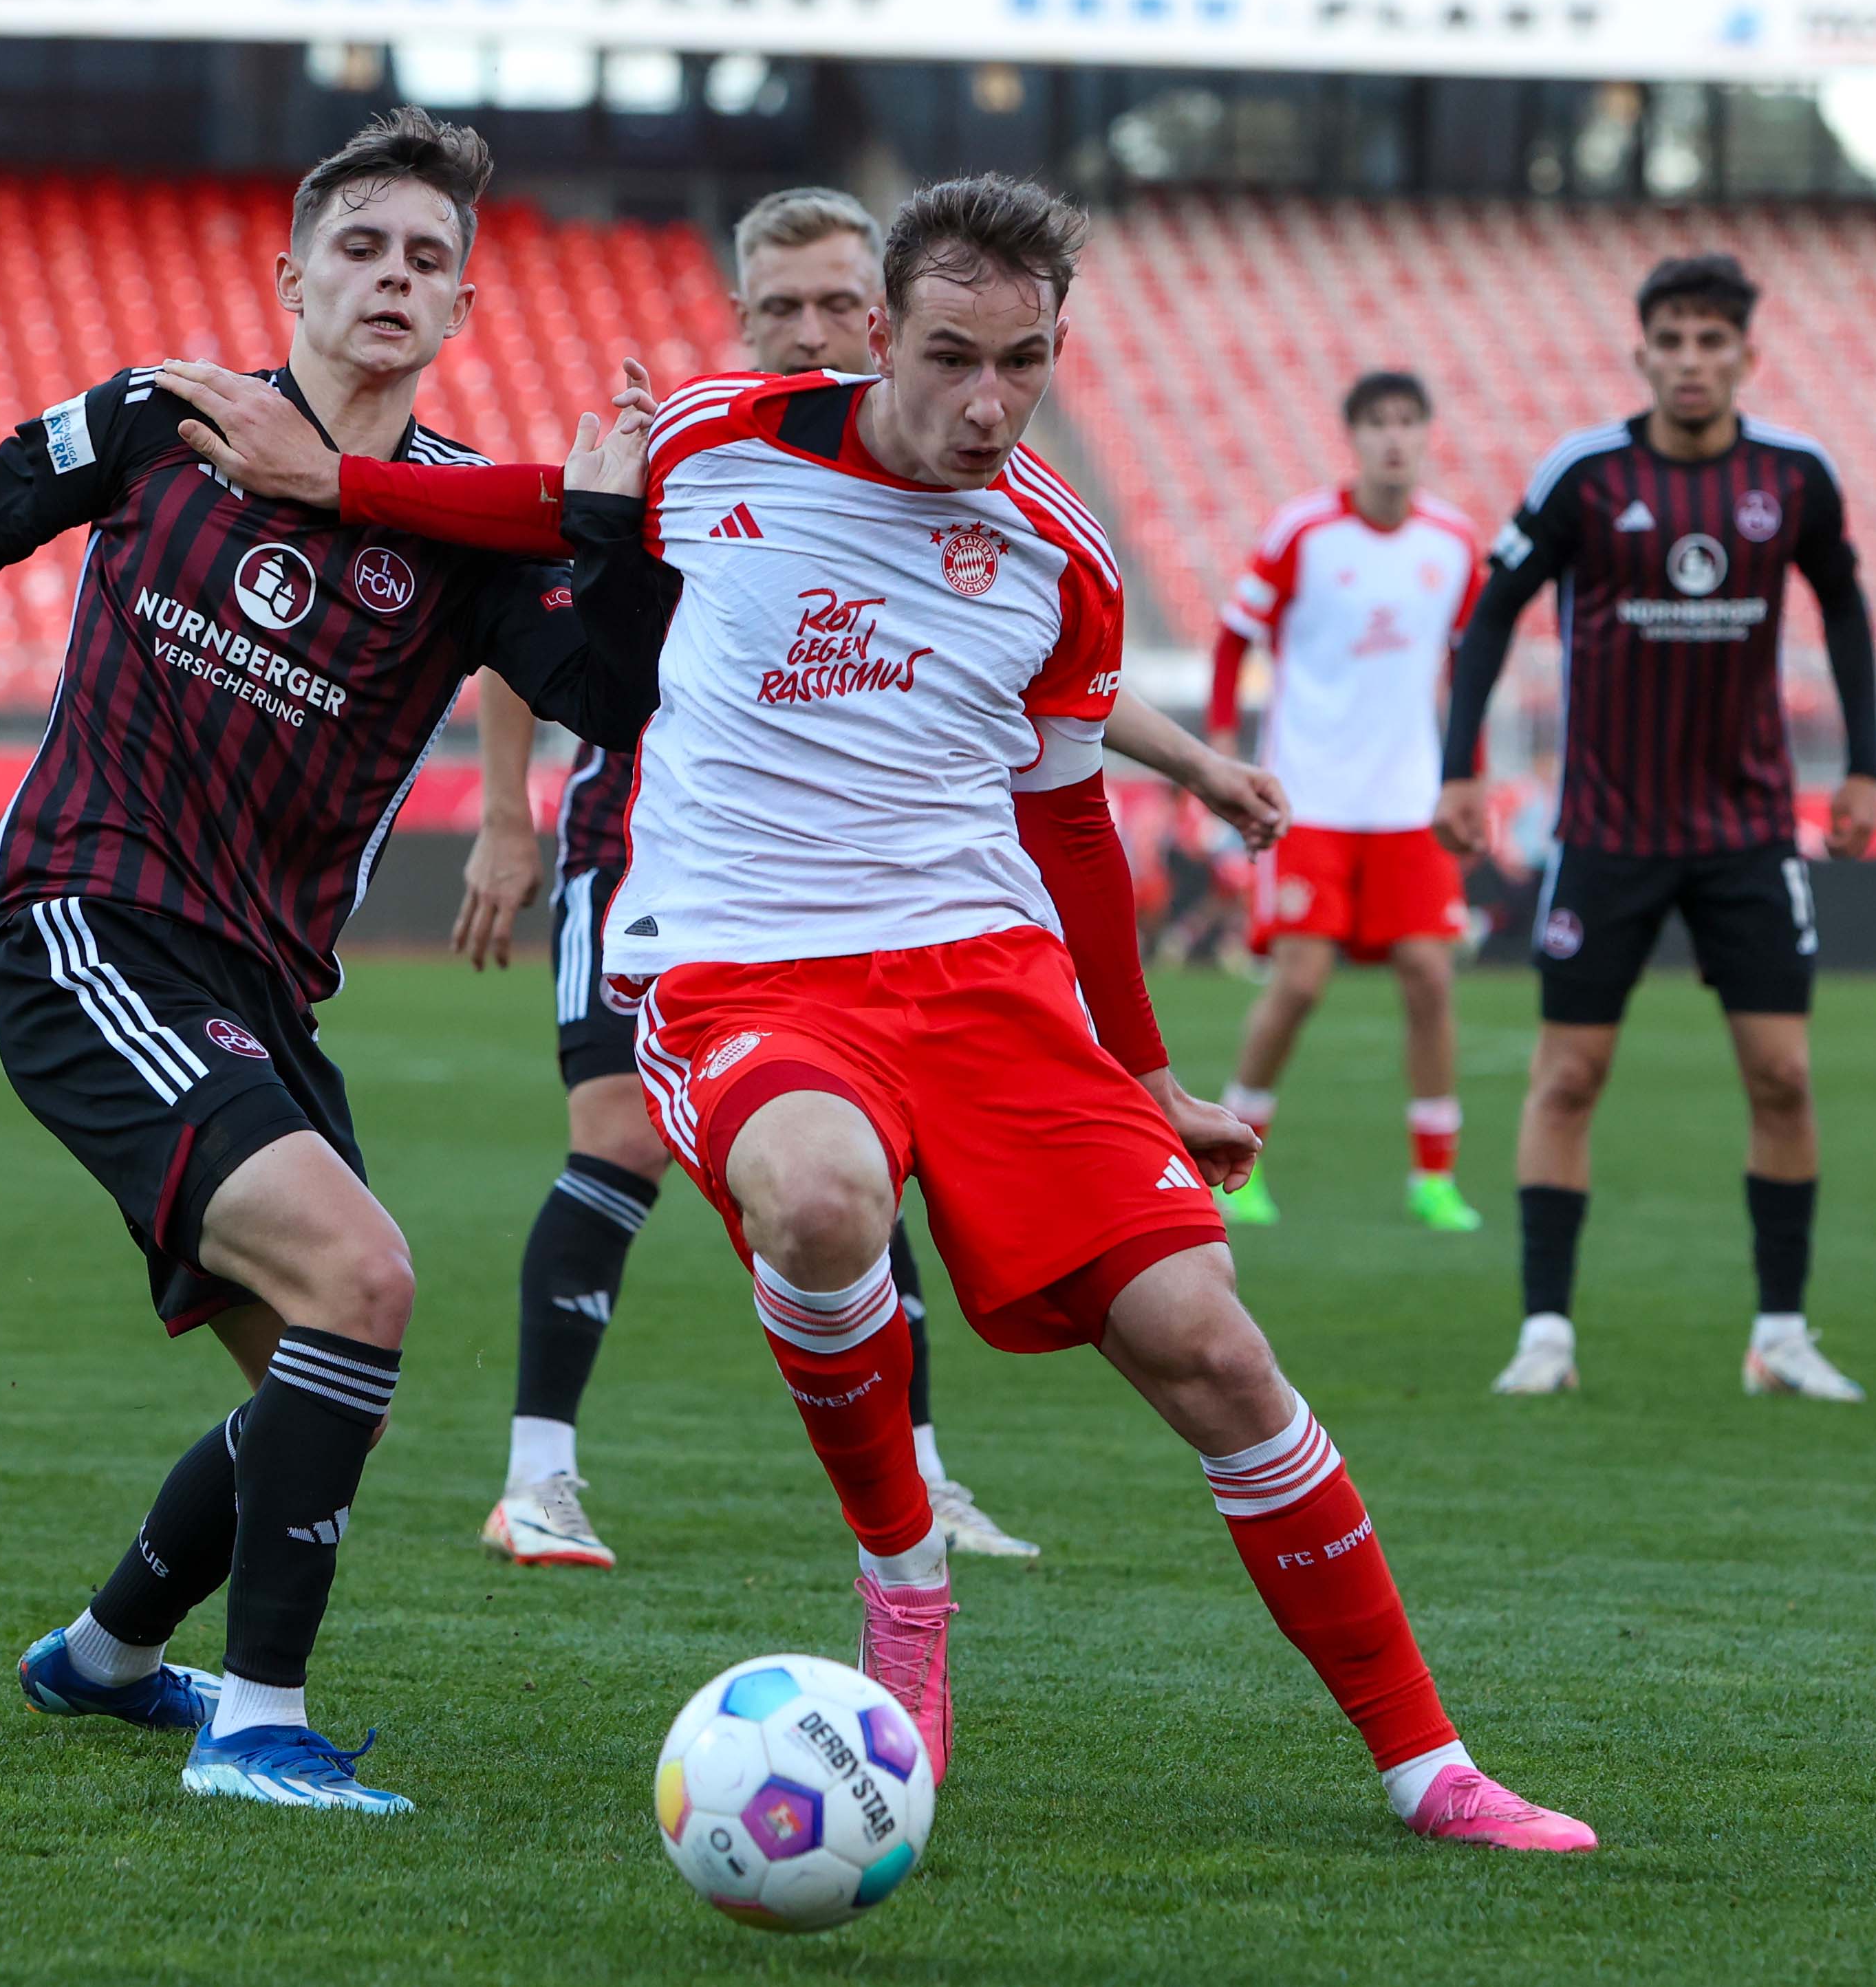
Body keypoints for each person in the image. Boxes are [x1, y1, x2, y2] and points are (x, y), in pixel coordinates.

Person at [218, 174, 1591, 1847]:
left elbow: (1070, 816)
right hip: (747, 971)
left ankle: (1423, 1759)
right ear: (878, 330)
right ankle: (902, 1575)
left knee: (1209, 1346)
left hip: (987, 980)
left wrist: (1144, 1071)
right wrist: (333, 479)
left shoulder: (1060, 548)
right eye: (950, 354)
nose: (987, 401)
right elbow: (522, 507)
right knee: (814, 1196)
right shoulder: (723, 439)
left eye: (1024, 360)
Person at [0, 109, 655, 1816]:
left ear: (462, 313)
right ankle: (258, 1727)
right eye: (361, 245)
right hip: (85, 916)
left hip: (258, 986)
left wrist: (613, 533)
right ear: (290, 273)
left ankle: (113, 1650)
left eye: (429, 260)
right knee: (365, 1278)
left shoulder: (469, 534)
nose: (392, 278)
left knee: (312, 1379)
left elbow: (620, 704)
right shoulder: (160, 417)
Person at [170, 186, 1284, 1574]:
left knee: (857, 1175)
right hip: (639, 850)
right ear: (755, 313)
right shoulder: (703, 443)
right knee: (624, 1141)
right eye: (789, 311)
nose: (814, 334)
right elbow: (528, 567)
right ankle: (541, 1473)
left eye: (835, 308)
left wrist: (1187, 764)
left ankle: (917, 1484)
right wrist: (508, 810)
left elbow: (1017, 688)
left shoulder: (992, 517)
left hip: (865, 920)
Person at [1432, 252, 1876, 1401]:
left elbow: (1846, 613)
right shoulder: (1587, 474)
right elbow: (1488, 622)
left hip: (1747, 829)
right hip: (1608, 831)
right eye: (1671, 343)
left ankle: (1780, 1335)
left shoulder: (1795, 478)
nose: (1691, 362)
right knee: (1569, 1075)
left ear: (1746, 356)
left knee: (1782, 1074)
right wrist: (1462, 768)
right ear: (1642, 354)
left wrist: (1867, 768)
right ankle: (1545, 1335)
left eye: (1712, 342)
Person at [1203, 369, 1488, 1237]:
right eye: (1377, 423)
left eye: (1408, 421)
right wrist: (1220, 751)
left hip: (1410, 803)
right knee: (1299, 982)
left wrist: (1465, 777)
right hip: (1312, 798)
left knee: (1431, 977)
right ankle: (1232, 1161)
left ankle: (1433, 1178)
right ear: (1353, 436)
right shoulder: (1304, 533)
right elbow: (1232, 639)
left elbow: (1467, 670)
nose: (1394, 438)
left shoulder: (1455, 541)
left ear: (1427, 433)